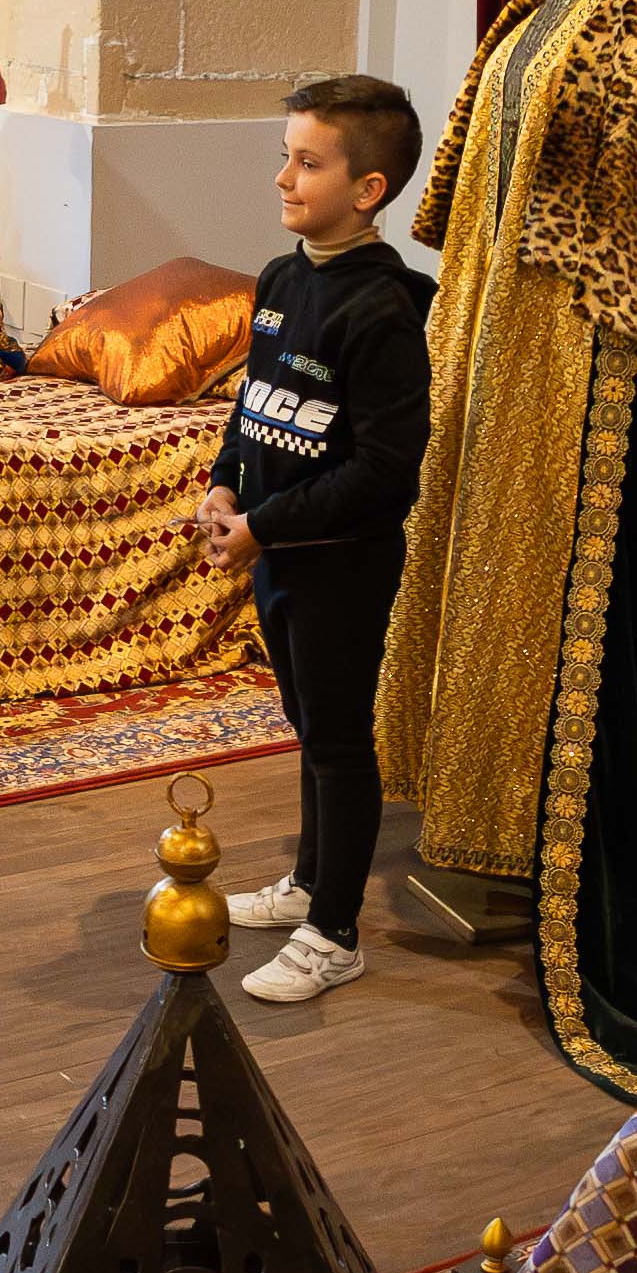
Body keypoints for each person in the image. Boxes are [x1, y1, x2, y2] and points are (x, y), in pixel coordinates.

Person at [191, 72, 431, 1008]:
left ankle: (334, 933)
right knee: (307, 728)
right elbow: (254, 413)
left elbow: (384, 475)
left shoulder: (384, 310)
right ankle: (307, 881)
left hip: (341, 566)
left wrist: (261, 527)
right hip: (277, 556)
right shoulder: (284, 278)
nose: (284, 180)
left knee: (339, 742)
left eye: (308, 162)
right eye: (283, 158)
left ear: (368, 189)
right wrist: (223, 485)